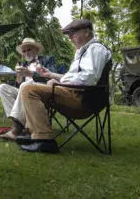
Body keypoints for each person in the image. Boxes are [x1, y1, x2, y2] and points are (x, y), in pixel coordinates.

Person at [18, 19, 112, 154]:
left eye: (73, 34)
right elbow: (71, 77)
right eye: (69, 36)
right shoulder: (82, 52)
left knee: (29, 90)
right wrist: (50, 75)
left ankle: (44, 141)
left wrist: (59, 84)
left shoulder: (96, 49)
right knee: (32, 87)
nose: (70, 39)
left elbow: (89, 78)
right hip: (74, 93)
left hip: (84, 99)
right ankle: (32, 133)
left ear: (86, 32)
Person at [0, 38, 66, 141]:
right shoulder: (23, 64)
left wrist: (31, 74)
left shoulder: (47, 60)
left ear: (36, 50)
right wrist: (18, 77)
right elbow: (18, 85)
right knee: (2, 88)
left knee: (26, 85)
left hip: (41, 92)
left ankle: (16, 129)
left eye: (29, 49)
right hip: (24, 91)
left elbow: (51, 77)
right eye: (24, 51)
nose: (26, 53)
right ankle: (22, 125)